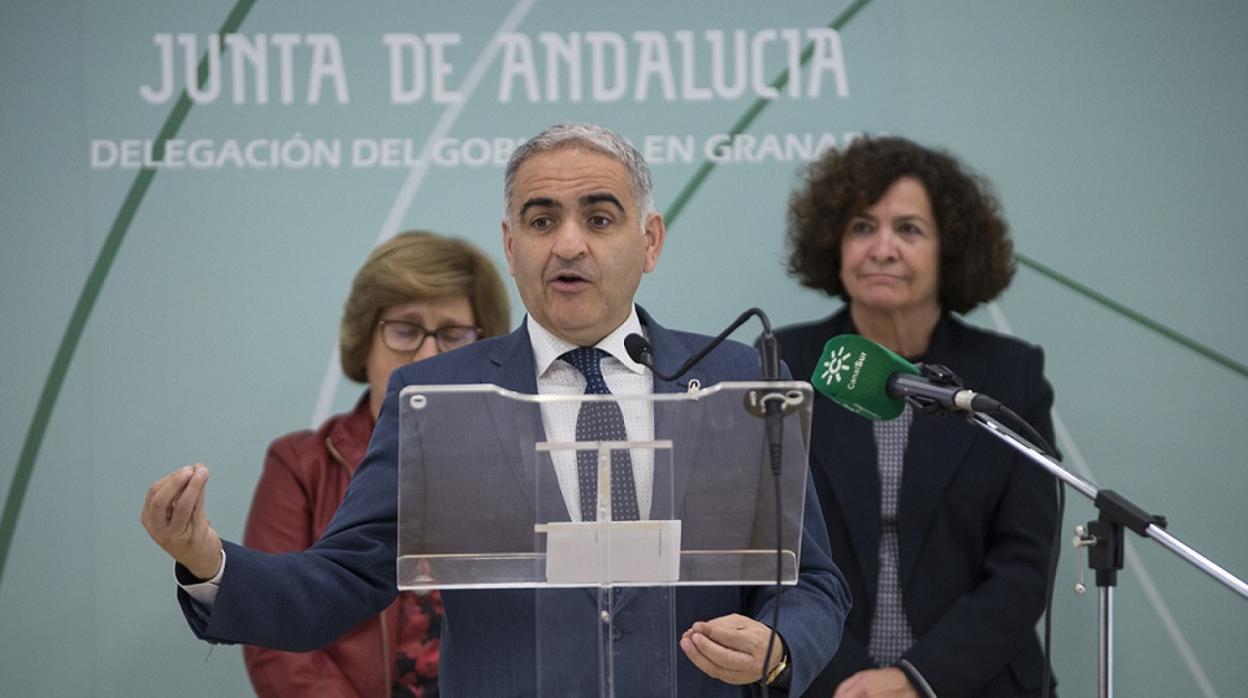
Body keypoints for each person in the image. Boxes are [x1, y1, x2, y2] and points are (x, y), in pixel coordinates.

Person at [141, 122, 851, 696]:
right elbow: (344, 581)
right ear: (512, 248)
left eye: (599, 217)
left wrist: (781, 647)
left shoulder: (733, 377)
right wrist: (209, 564)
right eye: (543, 220)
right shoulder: (442, 401)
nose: (568, 243)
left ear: (650, 241)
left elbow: (814, 581)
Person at [775, 136, 1058, 698]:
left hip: (974, 683)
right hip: (822, 683)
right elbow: (769, 557)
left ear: (948, 249)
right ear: (833, 242)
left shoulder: (1008, 375)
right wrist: (847, 681)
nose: (882, 249)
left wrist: (916, 679)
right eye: (861, 227)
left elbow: (1025, 563)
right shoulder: (783, 366)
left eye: (908, 229)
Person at [241, 231, 510, 697]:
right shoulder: (301, 465)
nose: (428, 356)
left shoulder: (519, 461)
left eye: (452, 335)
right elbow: (277, 641)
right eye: (404, 330)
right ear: (364, 343)